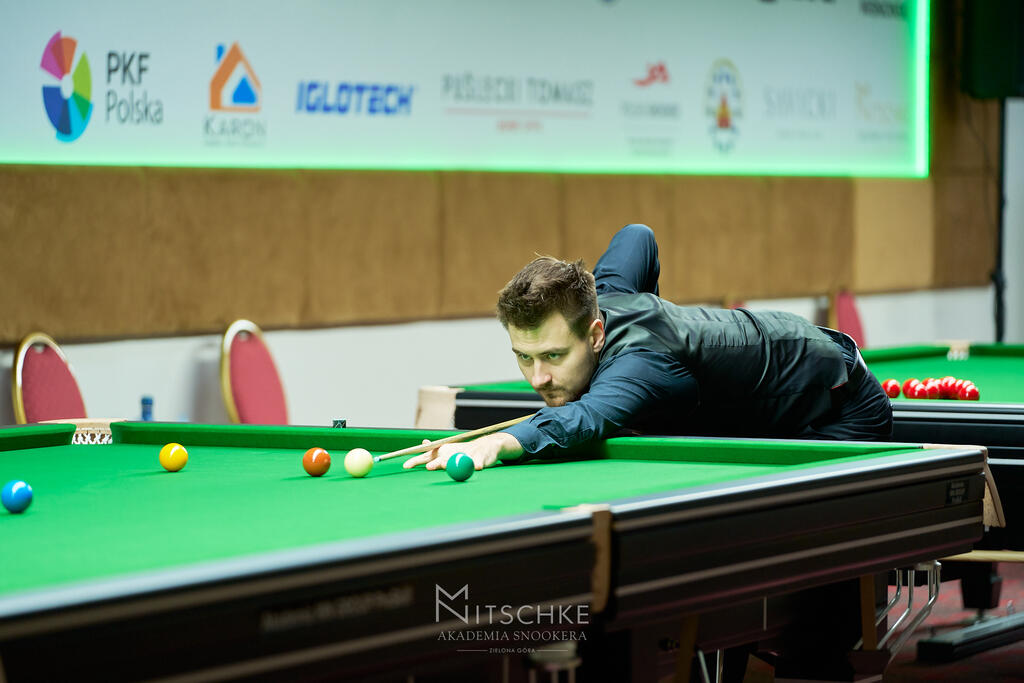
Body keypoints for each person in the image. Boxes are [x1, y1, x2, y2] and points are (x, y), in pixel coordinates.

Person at [404, 223, 892, 473]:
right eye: (524, 358)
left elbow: (584, 419)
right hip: (782, 378)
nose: (538, 378)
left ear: (596, 334)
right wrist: (656, 309)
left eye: (554, 356)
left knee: (799, 533)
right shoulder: (607, 292)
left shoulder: (638, 367)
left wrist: (497, 442)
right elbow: (638, 236)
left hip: (843, 402)